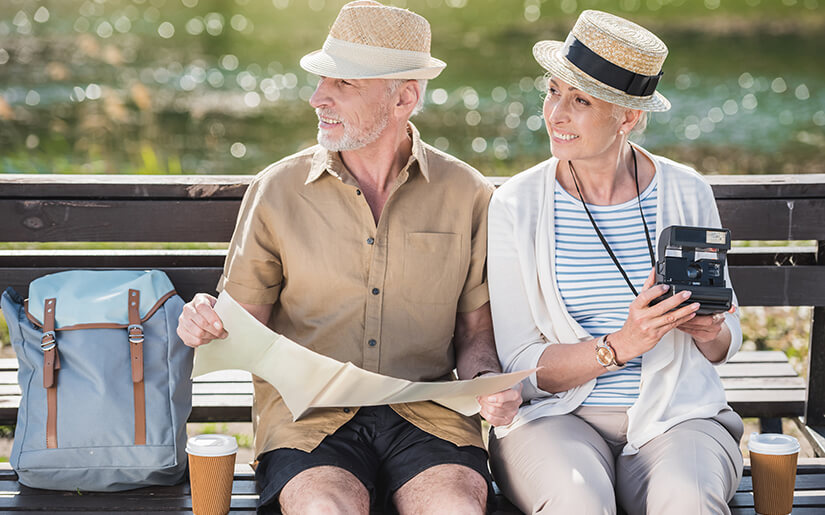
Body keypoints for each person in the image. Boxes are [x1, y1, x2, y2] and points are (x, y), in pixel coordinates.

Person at [176, 1, 520, 513]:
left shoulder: (465, 193)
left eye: (344, 84)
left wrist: (488, 386)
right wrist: (204, 322)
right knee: (325, 509)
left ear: (404, 97)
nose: (318, 98)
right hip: (308, 420)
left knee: (456, 507)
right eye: (321, 82)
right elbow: (241, 324)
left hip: (429, 414)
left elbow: (474, 338)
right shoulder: (278, 190)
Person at [486, 10, 744, 515]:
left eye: (580, 100)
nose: (556, 113)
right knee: (576, 503)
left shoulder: (687, 190)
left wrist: (710, 331)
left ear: (628, 117)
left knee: (688, 503)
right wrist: (623, 345)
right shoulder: (516, 204)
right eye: (553, 91)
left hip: (678, 417)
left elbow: (728, 334)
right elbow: (521, 367)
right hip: (557, 420)